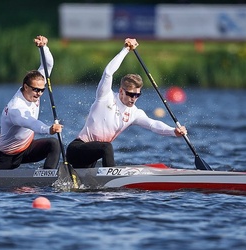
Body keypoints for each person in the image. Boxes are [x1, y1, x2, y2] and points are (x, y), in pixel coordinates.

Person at [66, 38, 187, 168]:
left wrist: (173, 131)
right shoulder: (105, 96)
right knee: (107, 147)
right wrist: (126, 50)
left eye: (137, 95)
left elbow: (153, 124)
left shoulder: (134, 113)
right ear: (121, 91)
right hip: (77, 149)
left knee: (102, 153)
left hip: (93, 155)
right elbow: (108, 73)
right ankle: (112, 182)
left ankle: (104, 181)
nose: (134, 98)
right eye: (130, 94)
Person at [0, 35, 63, 170]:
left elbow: (48, 64)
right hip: (5, 157)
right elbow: (31, 123)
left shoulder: (35, 87)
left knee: (54, 144)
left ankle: (48, 178)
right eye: (35, 90)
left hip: (27, 149)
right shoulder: (16, 108)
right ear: (25, 87)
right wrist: (49, 129)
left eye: (42, 90)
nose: (39, 93)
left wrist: (43, 47)